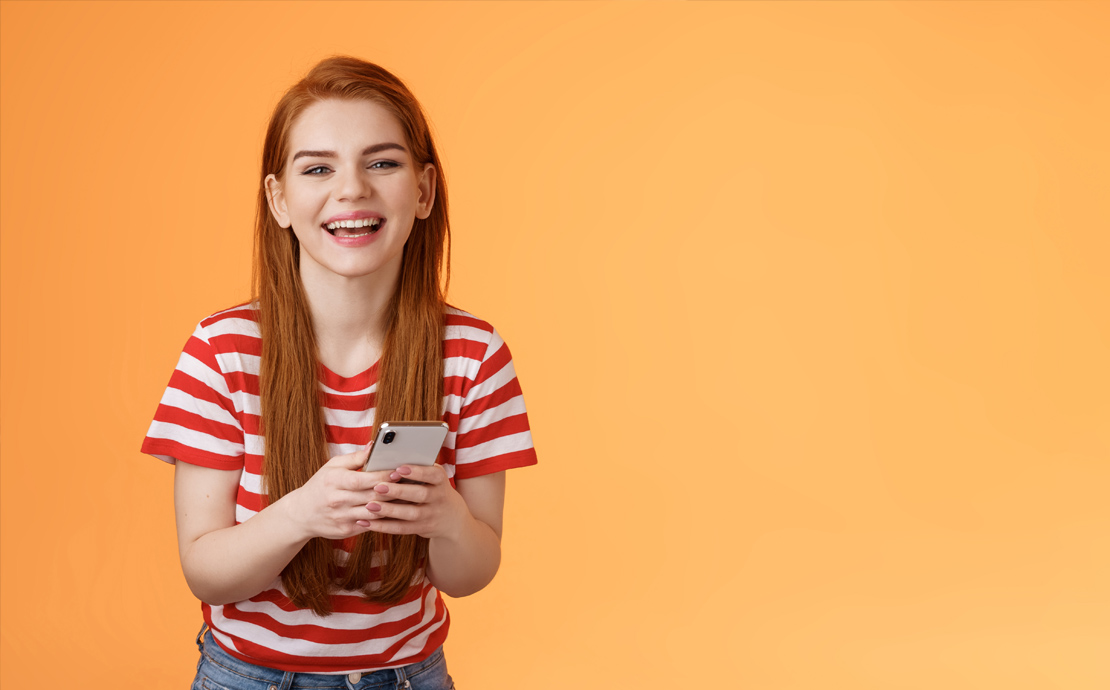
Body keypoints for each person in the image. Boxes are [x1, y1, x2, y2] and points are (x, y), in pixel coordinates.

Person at [141, 56, 537, 689]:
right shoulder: (223, 350)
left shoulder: (473, 353)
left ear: (425, 191)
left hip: (408, 677)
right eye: (318, 168)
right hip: (247, 677)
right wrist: (302, 514)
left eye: (382, 162)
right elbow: (206, 570)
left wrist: (448, 520)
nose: (351, 189)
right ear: (279, 199)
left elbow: (471, 574)